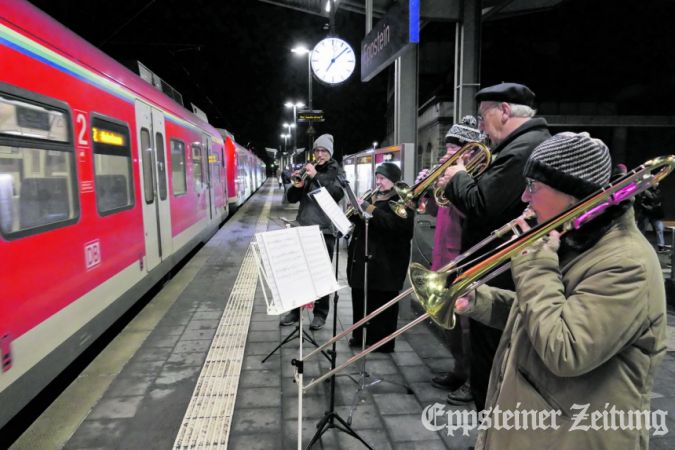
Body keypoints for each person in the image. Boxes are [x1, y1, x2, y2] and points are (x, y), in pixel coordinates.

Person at [452, 131, 667, 449]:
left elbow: (566, 348)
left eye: (533, 187)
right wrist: (480, 301)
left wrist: (535, 265)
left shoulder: (626, 262)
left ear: (571, 193)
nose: (525, 199)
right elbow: (546, 312)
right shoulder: (576, 237)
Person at [435, 82, 551, 410]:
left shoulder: (522, 149)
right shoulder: (517, 146)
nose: (481, 125)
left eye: (484, 115)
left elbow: (484, 204)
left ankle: (492, 431)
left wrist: (458, 176)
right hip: (493, 268)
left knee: (492, 361)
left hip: (501, 272)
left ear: (504, 110)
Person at [418, 116, 481, 395]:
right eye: (447, 147)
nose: (446, 154)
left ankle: (473, 380)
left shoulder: (474, 179)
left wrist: (453, 184)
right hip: (442, 259)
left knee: (467, 325)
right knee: (450, 324)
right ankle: (458, 369)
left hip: (463, 260)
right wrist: (429, 191)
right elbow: (435, 213)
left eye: (453, 149)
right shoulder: (449, 176)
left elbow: (473, 215)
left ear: (470, 152)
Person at [346, 162, 414, 353]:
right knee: (360, 297)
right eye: (377, 177)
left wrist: (368, 208)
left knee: (382, 301)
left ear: (393, 181)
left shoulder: (403, 200)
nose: (378, 182)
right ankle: (359, 336)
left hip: (386, 263)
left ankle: (382, 342)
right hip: (364, 259)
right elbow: (365, 221)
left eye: (382, 178)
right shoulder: (375, 196)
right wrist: (356, 211)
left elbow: (394, 225)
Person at [280, 134, 345, 330]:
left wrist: (316, 177)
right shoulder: (308, 170)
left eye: (323, 151)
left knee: (321, 273)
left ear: (330, 153)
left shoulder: (336, 171)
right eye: (317, 151)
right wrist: (297, 185)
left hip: (325, 230)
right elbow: (291, 199)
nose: (319, 154)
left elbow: (336, 194)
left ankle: (320, 313)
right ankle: (296, 310)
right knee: (300, 272)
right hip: (303, 227)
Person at [636, 186, 667, 252]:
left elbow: (657, 199)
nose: (656, 183)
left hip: (655, 213)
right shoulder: (643, 189)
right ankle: (638, 246)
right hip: (645, 213)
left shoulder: (658, 190)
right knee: (641, 230)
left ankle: (661, 246)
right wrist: (645, 206)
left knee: (659, 229)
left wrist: (649, 195)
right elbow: (639, 200)